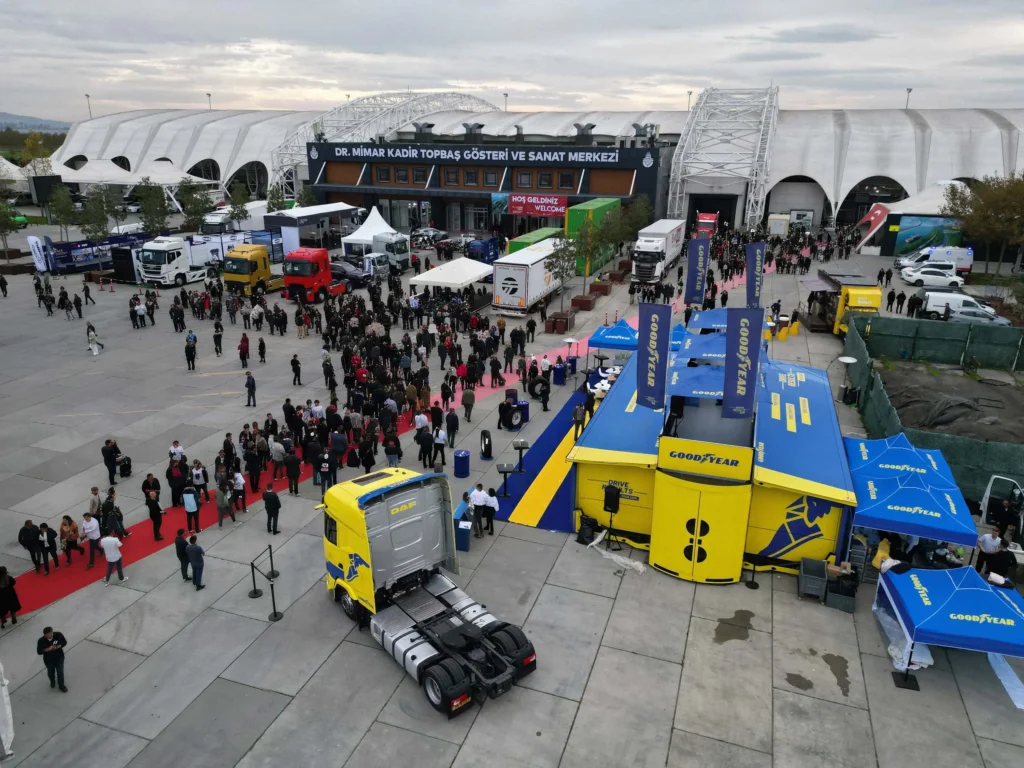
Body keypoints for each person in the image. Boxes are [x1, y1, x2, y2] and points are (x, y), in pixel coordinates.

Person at [36, 627, 68, 692]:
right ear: (44, 635)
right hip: (48, 660)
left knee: (60, 672)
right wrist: (46, 650)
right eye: (47, 636)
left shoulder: (58, 635)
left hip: (59, 658)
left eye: (50, 634)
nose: (49, 636)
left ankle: (61, 685)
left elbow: (64, 642)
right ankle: (52, 681)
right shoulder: (41, 641)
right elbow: (39, 651)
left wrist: (59, 646)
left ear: (52, 632)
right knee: (50, 673)